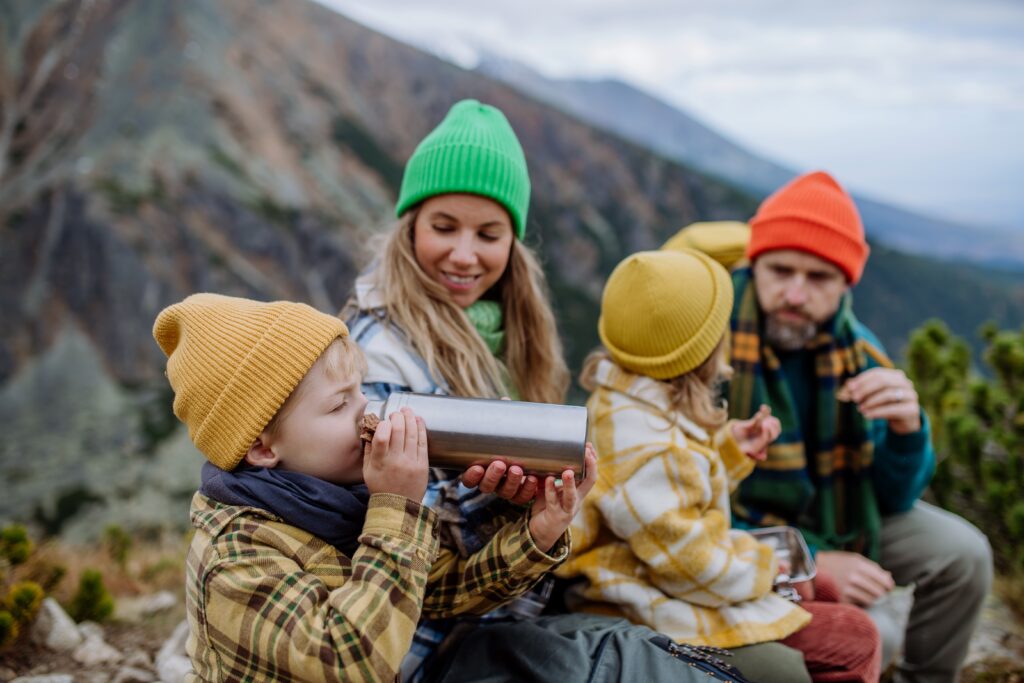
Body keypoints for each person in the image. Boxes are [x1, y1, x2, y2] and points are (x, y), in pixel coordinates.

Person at [153, 293, 595, 682]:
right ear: (262, 448)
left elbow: (435, 593)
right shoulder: (237, 557)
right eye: (339, 404)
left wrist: (536, 530)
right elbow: (352, 662)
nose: (368, 412)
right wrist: (397, 507)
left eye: (361, 391)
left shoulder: (329, 504)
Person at [667, 171, 991, 683]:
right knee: (865, 635)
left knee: (964, 554)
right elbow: (669, 501)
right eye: (780, 270)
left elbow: (893, 498)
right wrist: (809, 559)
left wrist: (909, 430)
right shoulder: (703, 339)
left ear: (845, 284)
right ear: (755, 263)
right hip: (724, 529)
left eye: (818, 278)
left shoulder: (856, 352)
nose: (795, 294)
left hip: (835, 515)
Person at [558, 248, 883, 683]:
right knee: (855, 638)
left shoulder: (622, 397)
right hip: (645, 602)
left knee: (821, 593)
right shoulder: (654, 448)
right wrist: (768, 565)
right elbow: (690, 564)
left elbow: (667, 496)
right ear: (701, 351)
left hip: (654, 579)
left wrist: (727, 454)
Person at [342, 99, 573, 678]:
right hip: (419, 637)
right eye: (444, 227)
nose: (464, 255)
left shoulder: (511, 332)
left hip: (503, 607)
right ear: (411, 225)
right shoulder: (376, 348)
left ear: (512, 244)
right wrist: (501, 501)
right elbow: (381, 516)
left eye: (489, 234)